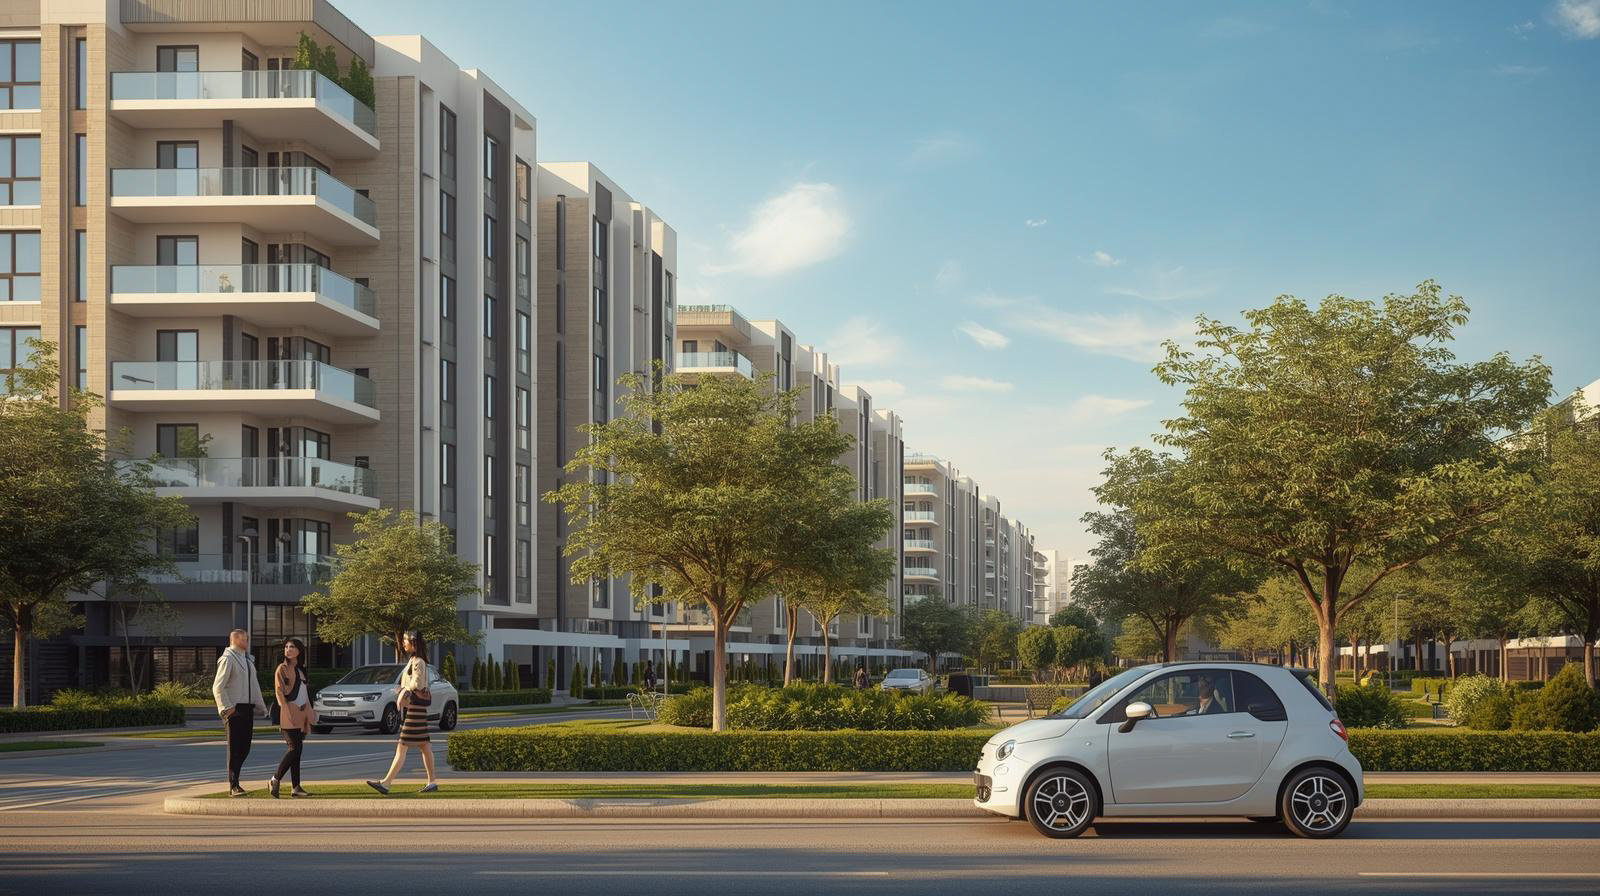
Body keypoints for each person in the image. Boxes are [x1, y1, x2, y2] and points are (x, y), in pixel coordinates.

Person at [367, 632, 438, 794]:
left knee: (403, 745)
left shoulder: (418, 661)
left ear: (413, 643)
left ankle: (386, 783)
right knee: (425, 745)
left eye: (405, 640)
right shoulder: (415, 660)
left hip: (415, 709)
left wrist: (403, 692)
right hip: (417, 709)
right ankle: (432, 782)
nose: (403, 643)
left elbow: (417, 683)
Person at [211, 629, 270, 797]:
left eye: (247, 639)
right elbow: (217, 686)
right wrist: (226, 708)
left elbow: (255, 686)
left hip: (247, 709)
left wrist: (262, 707)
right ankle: (233, 785)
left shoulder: (247, 661)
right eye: (243, 639)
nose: (247, 642)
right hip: (234, 709)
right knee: (235, 747)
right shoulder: (228, 659)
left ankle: (236, 781)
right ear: (234, 640)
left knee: (245, 747)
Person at [270, 637, 316, 798]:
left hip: (302, 715)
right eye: (286, 647)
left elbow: (304, 694)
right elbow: (279, 691)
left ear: (299, 651)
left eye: (292, 647)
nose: (288, 649)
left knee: (298, 751)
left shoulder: (302, 670)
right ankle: (275, 779)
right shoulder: (282, 668)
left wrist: (311, 714)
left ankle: (296, 787)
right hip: (288, 712)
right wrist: (285, 710)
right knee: (294, 748)